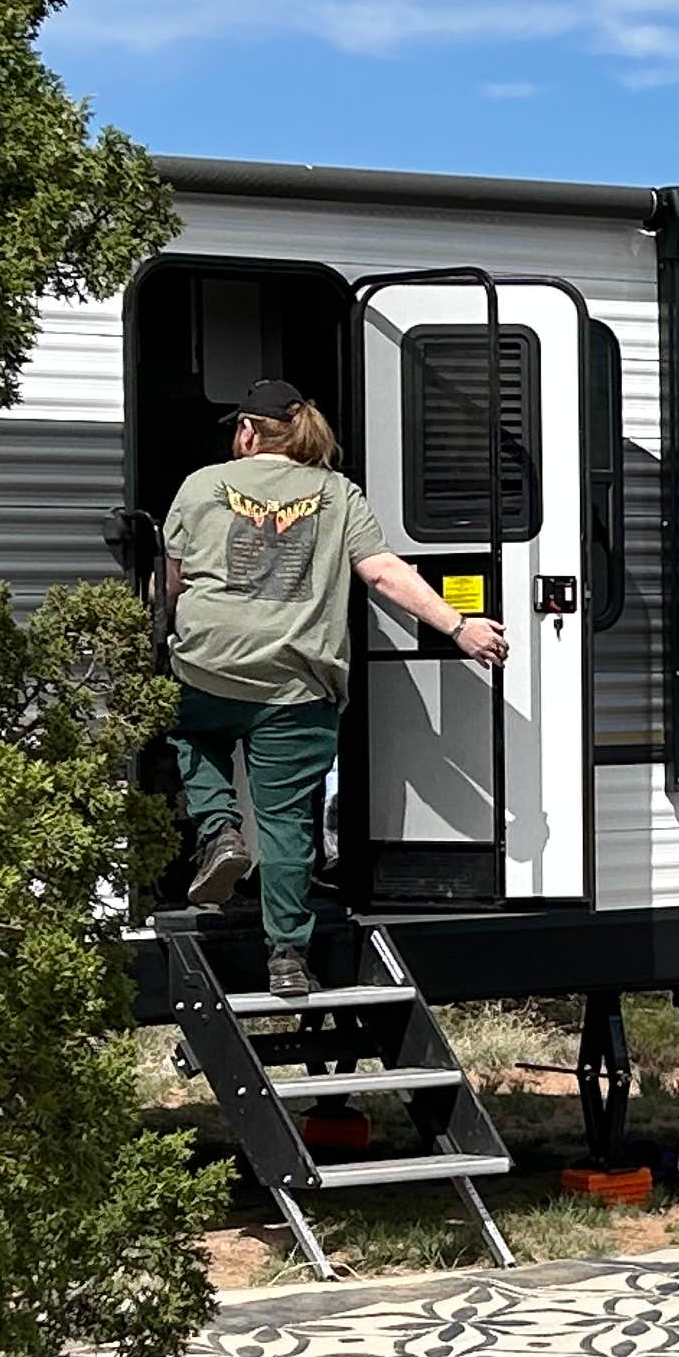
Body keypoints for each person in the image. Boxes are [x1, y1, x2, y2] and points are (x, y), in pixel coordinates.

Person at [160, 376, 511, 996]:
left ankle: (217, 831)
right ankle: (288, 958)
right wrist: (459, 627)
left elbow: (173, 584)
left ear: (246, 432)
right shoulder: (336, 494)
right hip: (298, 682)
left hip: (209, 665)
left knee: (194, 738)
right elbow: (382, 573)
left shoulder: (200, 486)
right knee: (287, 821)